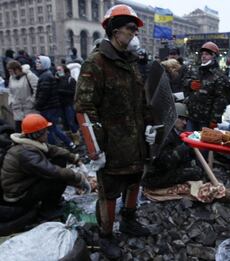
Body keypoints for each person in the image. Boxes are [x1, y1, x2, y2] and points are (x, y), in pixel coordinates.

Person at [75, 4, 154, 259]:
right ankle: (106, 235)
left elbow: (141, 100)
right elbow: (84, 108)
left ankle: (129, 221)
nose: (134, 34)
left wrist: (150, 126)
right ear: (115, 30)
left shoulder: (131, 63)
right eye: (131, 29)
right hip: (111, 145)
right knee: (109, 192)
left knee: (134, 183)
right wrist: (95, 149)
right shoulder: (96, 62)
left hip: (135, 142)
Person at [0, 114, 88, 215]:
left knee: (60, 160)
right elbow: (52, 171)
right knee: (59, 179)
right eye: (45, 130)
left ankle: (51, 201)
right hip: (19, 196)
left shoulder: (31, 143)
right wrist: (78, 178)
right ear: (37, 134)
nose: (47, 132)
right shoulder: (25, 153)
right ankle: (48, 210)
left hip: (25, 184)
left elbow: (53, 150)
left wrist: (75, 159)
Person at [142, 103, 203, 189]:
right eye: (181, 119)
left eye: (186, 120)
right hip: (155, 177)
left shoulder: (174, 132)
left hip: (163, 172)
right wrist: (185, 147)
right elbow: (164, 164)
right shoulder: (165, 134)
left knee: (196, 168)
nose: (185, 123)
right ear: (172, 117)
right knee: (196, 172)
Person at [185, 41, 229, 131]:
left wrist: (214, 119)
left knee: (202, 144)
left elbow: (221, 99)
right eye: (202, 54)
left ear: (214, 56)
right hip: (191, 116)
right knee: (189, 142)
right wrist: (189, 84)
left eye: (207, 54)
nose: (203, 56)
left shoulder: (219, 76)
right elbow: (184, 82)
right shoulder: (195, 70)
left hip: (206, 120)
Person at [34, 55, 76, 149]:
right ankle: (69, 143)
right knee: (53, 128)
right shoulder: (47, 75)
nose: (37, 64)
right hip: (51, 106)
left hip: (48, 107)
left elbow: (43, 94)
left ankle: (54, 148)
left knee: (51, 129)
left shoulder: (45, 77)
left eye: (39, 62)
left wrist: (37, 105)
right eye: (36, 62)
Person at [6, 60, 38, 132]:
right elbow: (10, 91)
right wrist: (11, 101)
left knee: (31, 131)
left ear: (16, 69)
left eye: (11, 71)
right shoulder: (11, 78)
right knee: (19, 131)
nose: (10, 73)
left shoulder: (29, 76)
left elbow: (37, 89)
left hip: (29, 109)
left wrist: (32, 101)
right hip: (17, 110)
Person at [56, 65, 80, 145]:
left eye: (60, 70)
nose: (58, 71)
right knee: (65, 123)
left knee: (71, 122)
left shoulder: (71, 79)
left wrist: (61, 91)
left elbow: (74, 92)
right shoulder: (58, 80)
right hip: (61, 104)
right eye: (57, 70)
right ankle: (69, 139)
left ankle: (76, 139)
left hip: (69, 104)